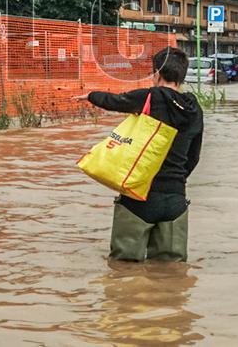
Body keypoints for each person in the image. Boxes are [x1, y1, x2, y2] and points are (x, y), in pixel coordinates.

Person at [75, 47, 203, 262]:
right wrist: (176, 180)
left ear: (157, 73)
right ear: (181, 75)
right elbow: (194, 157)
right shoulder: (194, 109)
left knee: (124, 269)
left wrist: (91, 96)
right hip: (176, 201)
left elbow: (117, 101)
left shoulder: (152, 97)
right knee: (171, 272)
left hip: (139, 197)